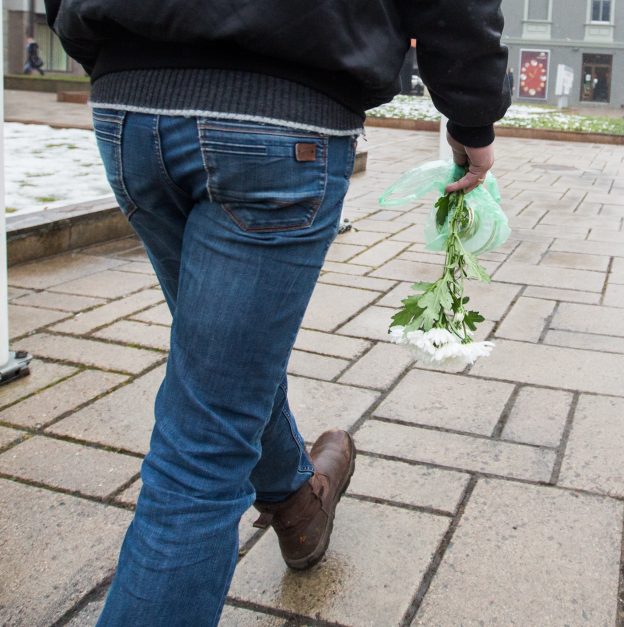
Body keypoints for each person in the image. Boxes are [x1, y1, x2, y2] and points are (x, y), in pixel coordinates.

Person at [45, 0, 510, 624]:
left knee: (217, 368)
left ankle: (295, 501)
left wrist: (103, 40)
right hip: (279, 111)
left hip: (132, 102)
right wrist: (473, 118)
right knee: (201, 451)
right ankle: (290, 500)